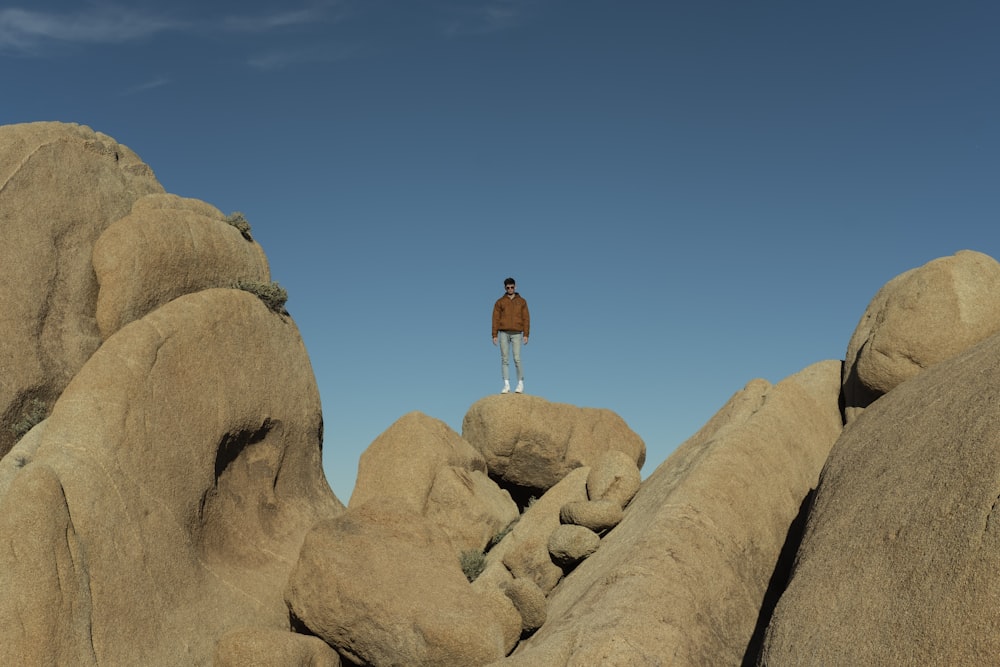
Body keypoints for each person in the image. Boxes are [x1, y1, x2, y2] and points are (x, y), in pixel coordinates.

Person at [492, 277, 530, 394]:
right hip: (503, 332)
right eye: (508, 287)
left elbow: (526, 318)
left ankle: (520, 383)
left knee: (517, 358)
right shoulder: (500, 302)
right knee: (504, 359)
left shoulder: (522, 301)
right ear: (505, 288)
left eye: (512, 287)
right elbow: (495, 318)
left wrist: (526, 333)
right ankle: (506, 384)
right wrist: (494, 334)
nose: (510, 289)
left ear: (515, 287)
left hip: (517, 333)